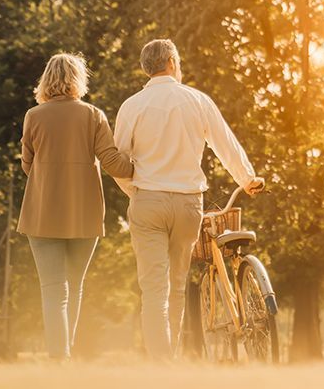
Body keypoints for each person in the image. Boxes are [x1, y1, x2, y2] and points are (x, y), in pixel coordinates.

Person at [114, 39, 264, 360]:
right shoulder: (197, 100)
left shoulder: (132, 106)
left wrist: (136, 191)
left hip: (148, 202)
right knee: (177, 286)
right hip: (188, 204)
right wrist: (247, 179)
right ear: (171, 62)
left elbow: (119, 162)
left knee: (154, 290)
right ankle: (173, 360)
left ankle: (162, 366)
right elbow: (225, 143)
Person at [19, 53, 134, 360]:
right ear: (78, 80)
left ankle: (60, 359)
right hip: (84, 213)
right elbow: (113, 163)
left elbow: (27, 165)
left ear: (46, 80)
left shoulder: (33, 116)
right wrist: (142, 167)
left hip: (42, 213)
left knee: (53, 290)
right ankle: (64, 355)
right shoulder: (93, 115)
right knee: (75, 285)